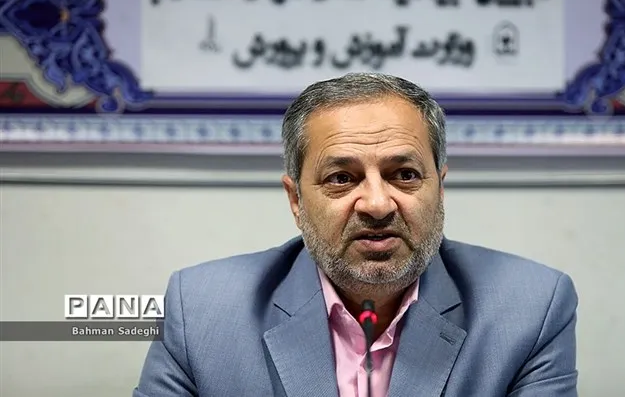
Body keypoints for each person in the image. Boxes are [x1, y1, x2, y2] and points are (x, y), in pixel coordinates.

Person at [133, 73, 578, 397]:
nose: (378, 204)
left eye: (404, 174)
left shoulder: (530, 308)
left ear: (440, 188)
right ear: (296, 200)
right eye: (342, 178)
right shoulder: (200, 311)